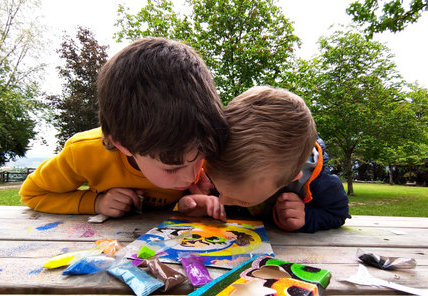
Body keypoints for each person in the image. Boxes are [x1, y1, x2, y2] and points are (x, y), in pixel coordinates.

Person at [19, 37, 228, 219]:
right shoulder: (83, 152)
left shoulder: (203, 138)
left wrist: (192, 202)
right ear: (122, 144)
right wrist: (96, 203)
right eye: (171, 168)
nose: (191, 176)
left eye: (201, 156)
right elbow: (32, 194)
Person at [199, 86, 350, 233]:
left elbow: (338, 214)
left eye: (243, 201)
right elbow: (230, 190)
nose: (222, 200)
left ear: (290, 179)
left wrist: (305, 217)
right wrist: (204, 200)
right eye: (219, 188)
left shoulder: (320, 184)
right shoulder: (230, 167)